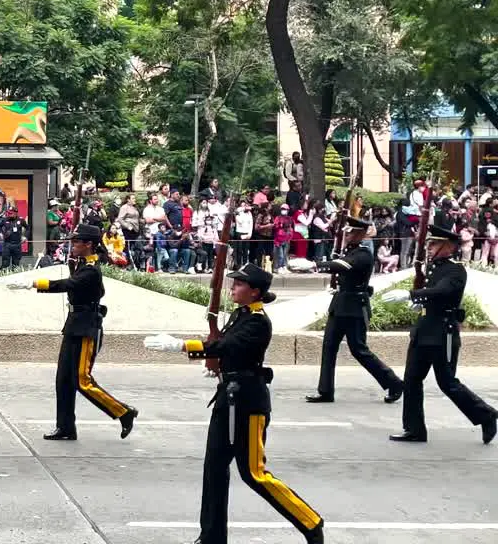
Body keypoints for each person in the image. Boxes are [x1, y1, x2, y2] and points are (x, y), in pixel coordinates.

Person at [144, 264, 325, 544]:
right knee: (214, 468)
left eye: (239, 284)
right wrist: (218, 368)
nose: (233, 287)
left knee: (254, 473)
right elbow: (228, 348)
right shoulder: (241, 315)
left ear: (255, 291)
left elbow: (227, 346)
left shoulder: (257, 321)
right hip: (227, 396)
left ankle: (310, 522)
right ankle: (212, 536)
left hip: (248, 403)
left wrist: (181, 346)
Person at [16, 224, 139, 441]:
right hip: (74, 324)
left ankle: (123, 412)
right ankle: (65, 427)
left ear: (89, 244)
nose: (72, 245)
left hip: (86, 327)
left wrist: (33, 284)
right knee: (63, 379)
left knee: (82, 380)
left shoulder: (91, 270)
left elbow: (67, 284)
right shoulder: (83, 263)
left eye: (76, 242)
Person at [385, 226, 498, 444]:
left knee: (448, 383)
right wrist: (418, 303)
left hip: (442, 335)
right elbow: (433, 295)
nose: (429, 247)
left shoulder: (456, 271)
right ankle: (415, 429)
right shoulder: (433, 267)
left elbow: (443, 291)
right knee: (411, 381)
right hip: (424, 331)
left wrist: (411, 294)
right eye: (429, 243)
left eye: (434, 244)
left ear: (448, 246)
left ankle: (486, 415)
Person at [297, 218, 404, 404]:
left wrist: (315, 265)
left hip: (355, 307)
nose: (347, 235)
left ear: (362, 234)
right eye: (347, 232)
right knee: (329, 347)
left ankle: (393, 383)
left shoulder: (364, 254)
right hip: (340, 305)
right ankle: (325, 391)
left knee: (359, 350)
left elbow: (343, 265)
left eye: (351, 233)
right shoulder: (349, 251)